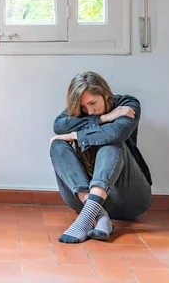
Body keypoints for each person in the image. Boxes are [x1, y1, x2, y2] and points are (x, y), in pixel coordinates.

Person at [49, 71, 153, 244]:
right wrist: (103, 118)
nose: (89, 111)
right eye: (83, 108)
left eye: (92, 103)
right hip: (82, 199)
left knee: (112, 141)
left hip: (128, 199)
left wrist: (77, 135)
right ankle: (98, 215)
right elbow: (58, 125)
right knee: (57, 144)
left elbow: (116, 132)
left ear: (105, 94)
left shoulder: (127, 104)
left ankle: (85, 220)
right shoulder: (84, 109)